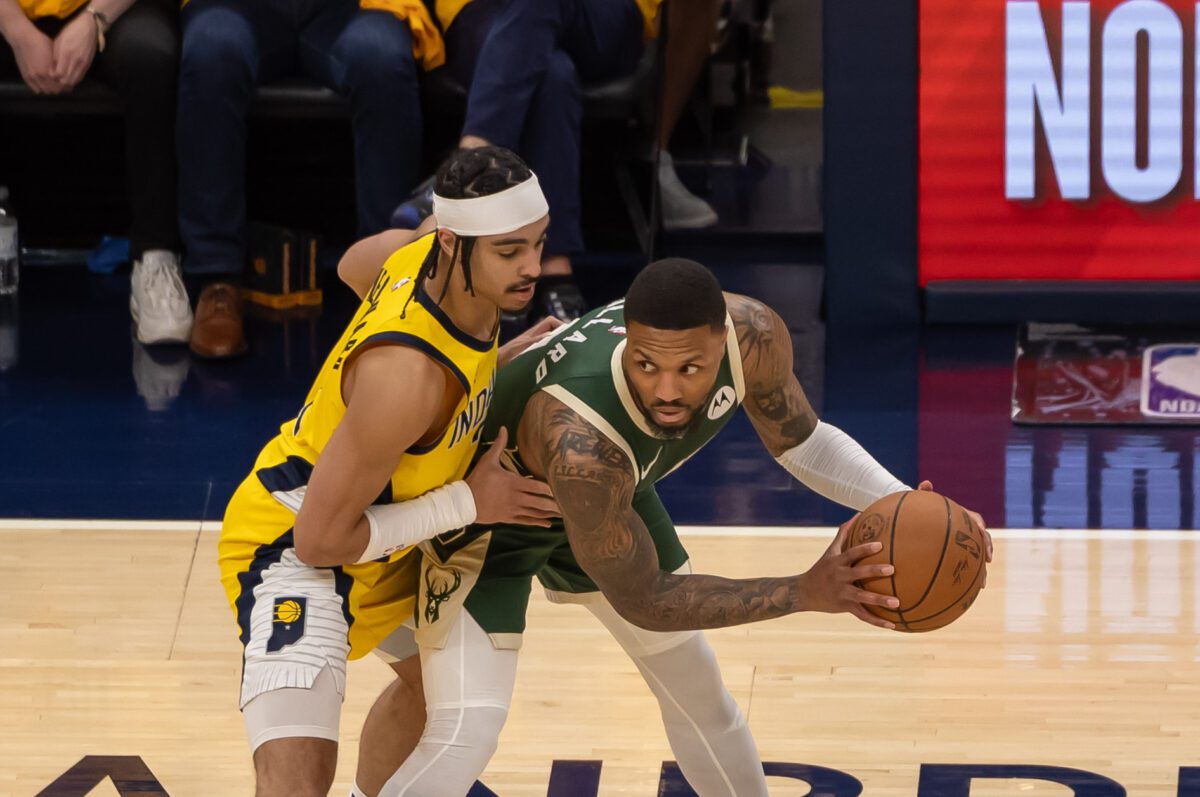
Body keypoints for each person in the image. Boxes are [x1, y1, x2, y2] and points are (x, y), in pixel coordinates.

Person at [364, 258, 993, 796]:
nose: (665, 390)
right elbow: (649, 601)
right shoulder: (583, 442)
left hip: (613, 497)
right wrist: (805, 591)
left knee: (699, 692)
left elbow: (803, 444)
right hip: (496, 514)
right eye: (644, 365)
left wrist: (908, 500)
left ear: (723, 343)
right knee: (467, 729)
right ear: (625, 344)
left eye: (689, 370)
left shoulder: (755, 336)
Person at [216, 147, 562, 796]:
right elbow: (319, 542)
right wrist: (469, 500)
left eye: (539, 244)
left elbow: (354, 266)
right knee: (297, 780)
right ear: (456, 246)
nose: (533, 268)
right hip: (299, 546)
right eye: (511, 251)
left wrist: (489, 370)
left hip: (383, 539)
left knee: (441, 701)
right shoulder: (403, 381)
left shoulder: (422, 250)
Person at [173, 0, 444, 358]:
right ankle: (216, 278)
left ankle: (389, 285)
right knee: (211, 51)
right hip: (237, 8)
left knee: (381, 59)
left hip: (351, 9)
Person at [0, 0, 186, 345]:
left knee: (151, 53)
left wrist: (93, 19)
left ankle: (156, 258)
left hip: (110, 10)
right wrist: (16, 29)